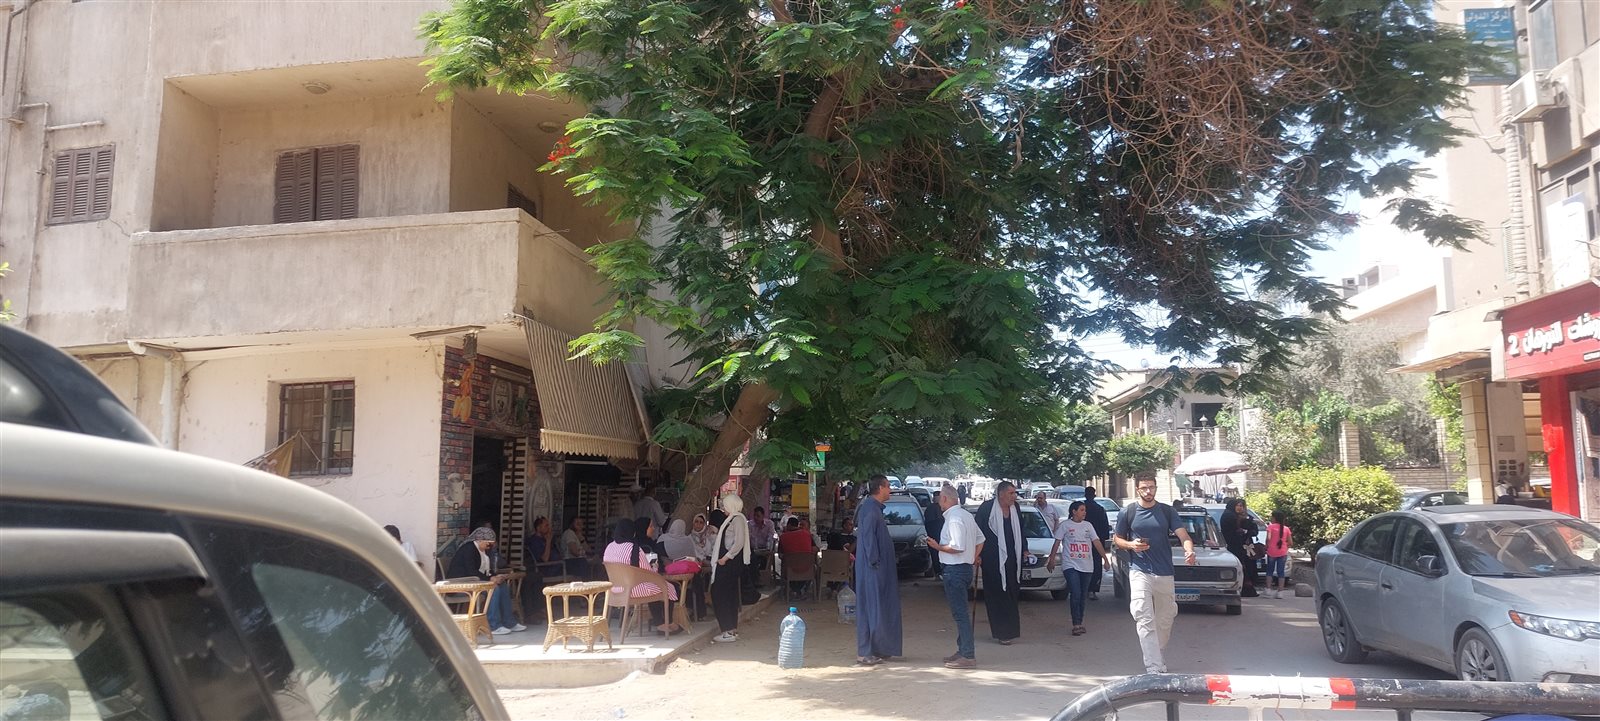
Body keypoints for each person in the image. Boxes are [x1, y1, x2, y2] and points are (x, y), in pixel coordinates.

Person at [1113, 474, 1197, 673]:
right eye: (1144, 488)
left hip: (1164, 572)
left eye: (1151, 487)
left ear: (1156, 488)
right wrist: (1131, 545)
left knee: (1166, 618)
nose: (1148, 491)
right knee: (1143, 615)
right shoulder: (1128, 512)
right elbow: (1117, 539)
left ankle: (1156, 654)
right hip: (1139, 571)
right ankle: (1154, 666)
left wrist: (1189, 550)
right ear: (1138, 490)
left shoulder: (1167, 511)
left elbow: (1184, 535)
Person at [925, 484, 980, 669]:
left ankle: (968, 655)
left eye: (940, 498)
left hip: (955, 569)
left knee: (960, 614)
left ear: (945, 499)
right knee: (960, 613)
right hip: (962, 568)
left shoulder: (955, 518)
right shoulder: (966, 516)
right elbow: (981, 539)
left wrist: (937, 547)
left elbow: (957, 546)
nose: (938, 502)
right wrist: (973, 557)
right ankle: (963, 649)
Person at [853, 475, 903, 666]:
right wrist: (875, 562)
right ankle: (865, 651)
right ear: (880, 488)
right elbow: (868, 539)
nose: (890, 490)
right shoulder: (869, 509)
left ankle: (879, 648)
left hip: (877, 568)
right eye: (888, 486)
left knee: (880, 608)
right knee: (869, 608)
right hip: (872, 569)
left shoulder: (874, 508)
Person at [603, 518, 681, 634]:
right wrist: (655, 567)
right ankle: (665, 623)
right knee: (667, 587)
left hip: (613, 588)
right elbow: (646, 571)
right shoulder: (633, 548)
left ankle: (661, 622)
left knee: (655, 586)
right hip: (632, 589)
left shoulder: (609, 547)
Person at [1047, 501, 1111, 636]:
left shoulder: (1088, 526)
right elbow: (1057, 542)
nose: (1084, 513)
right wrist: (1051, 559)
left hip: (1086, 566)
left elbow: (1096, 542)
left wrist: (1105, 559)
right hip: (1070, 565)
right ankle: (1076, 624)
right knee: (1075, 593)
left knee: (1082, 595)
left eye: (1085, 510)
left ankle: (1080, 621)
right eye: (1082, 510)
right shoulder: (1065, 526)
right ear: (1074, 511)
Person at [446, 527, 525, 635]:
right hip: (461, 583)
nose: (490, 546)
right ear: (479, 540)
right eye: (488, 543)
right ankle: (493, 625)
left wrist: (495, 577)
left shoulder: (483, 551)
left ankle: (509, 622)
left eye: (491, 544)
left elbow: (486, 571)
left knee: (502, 586)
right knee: (493, 589)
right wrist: (490, 579)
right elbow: (471, 571)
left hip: (475, 581)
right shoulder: (469, 549)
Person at [975, 480, 1024, 644]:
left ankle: (1011, 630)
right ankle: (1001, 632)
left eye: (1015, 493)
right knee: (996, 594)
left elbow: (1021, 530)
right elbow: (977, 533)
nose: (1014, 496)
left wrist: (1025, 549)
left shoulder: (1015, 508)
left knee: (1012, 592)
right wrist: (977, 554)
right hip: (992, 559)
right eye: (1011, 493)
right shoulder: (986, 508)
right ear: (1001, 494)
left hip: (1013, 558)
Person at [709, 495, 751, 643]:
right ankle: (731, 629)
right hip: (728, 563)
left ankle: (727, 630)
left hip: (728, 564)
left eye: (725, 505)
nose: (724, 509)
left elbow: (738, 542)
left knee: (719, 594)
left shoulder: (737, 519)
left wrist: (725, 558)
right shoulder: (733, 519)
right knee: (728, 595)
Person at [1220, 498, 1259, 597]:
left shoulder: (1247, 518)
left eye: (1241, 506)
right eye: (1238, 505)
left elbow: (1254, 530)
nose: (1240, 508)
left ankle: (1248, 589)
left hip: (1246, 547)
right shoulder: (1230, 516)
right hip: (1235, 547)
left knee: (1249, 568)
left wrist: (1247, 531)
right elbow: (1231, 532)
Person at [1082, 487, 1111, 600]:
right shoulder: (1099, 509)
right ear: (1094, 495)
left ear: (1085, 495)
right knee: (1096, 565)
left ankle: (1083, 589)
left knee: (1081, 564)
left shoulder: (1080, 508)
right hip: (1097, 542)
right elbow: (1105, 527)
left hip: (1081, 541)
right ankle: (1092, 590)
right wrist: (1103, 540)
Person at [777, 516, 815, 599]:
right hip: (807, 569)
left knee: (786, 565)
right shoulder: (807, 534)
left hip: (789, 570)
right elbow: (814, 548)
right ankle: (799, 590)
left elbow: (780, 555)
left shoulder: (783, 537)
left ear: (789, 525)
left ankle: (795, 590)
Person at [1264, 510, 1294, 599]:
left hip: (1271, 551)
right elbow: (1291, 542)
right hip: (1282, 552)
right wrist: (1285, 546)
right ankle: (1280, 591)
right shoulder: (1286, 529)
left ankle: (1268, 589)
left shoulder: (1270, 527)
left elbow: (1268, 538)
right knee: (1281, 572)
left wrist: (1266, 545)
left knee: (1270, 570)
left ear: (1274, 518)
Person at [924, 493, 945, 578]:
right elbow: (928, 524)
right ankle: (938, 572)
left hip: (941, 538)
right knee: (935, 555)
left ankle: (939, 572)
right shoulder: (931, 508)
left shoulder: (943, 508)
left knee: (937, 555)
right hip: (934, 537)